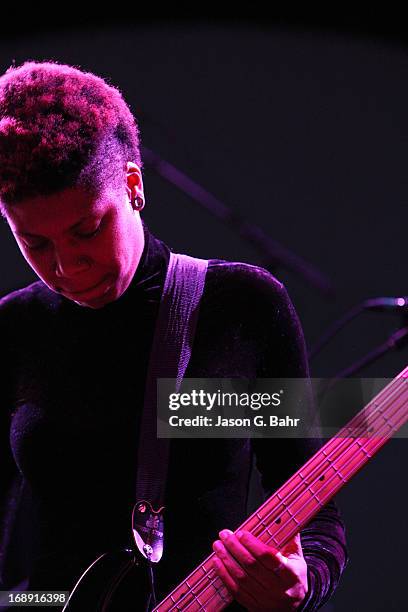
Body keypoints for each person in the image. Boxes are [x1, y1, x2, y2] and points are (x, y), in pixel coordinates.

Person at [0, 61, 347, 611]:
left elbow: (318, 513)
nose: (68, 266)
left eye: (87, 230)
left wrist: (302, 585)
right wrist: (33, 604)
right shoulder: (12, 331)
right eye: (35, 244)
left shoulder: (239, 307)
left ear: (133, 186)